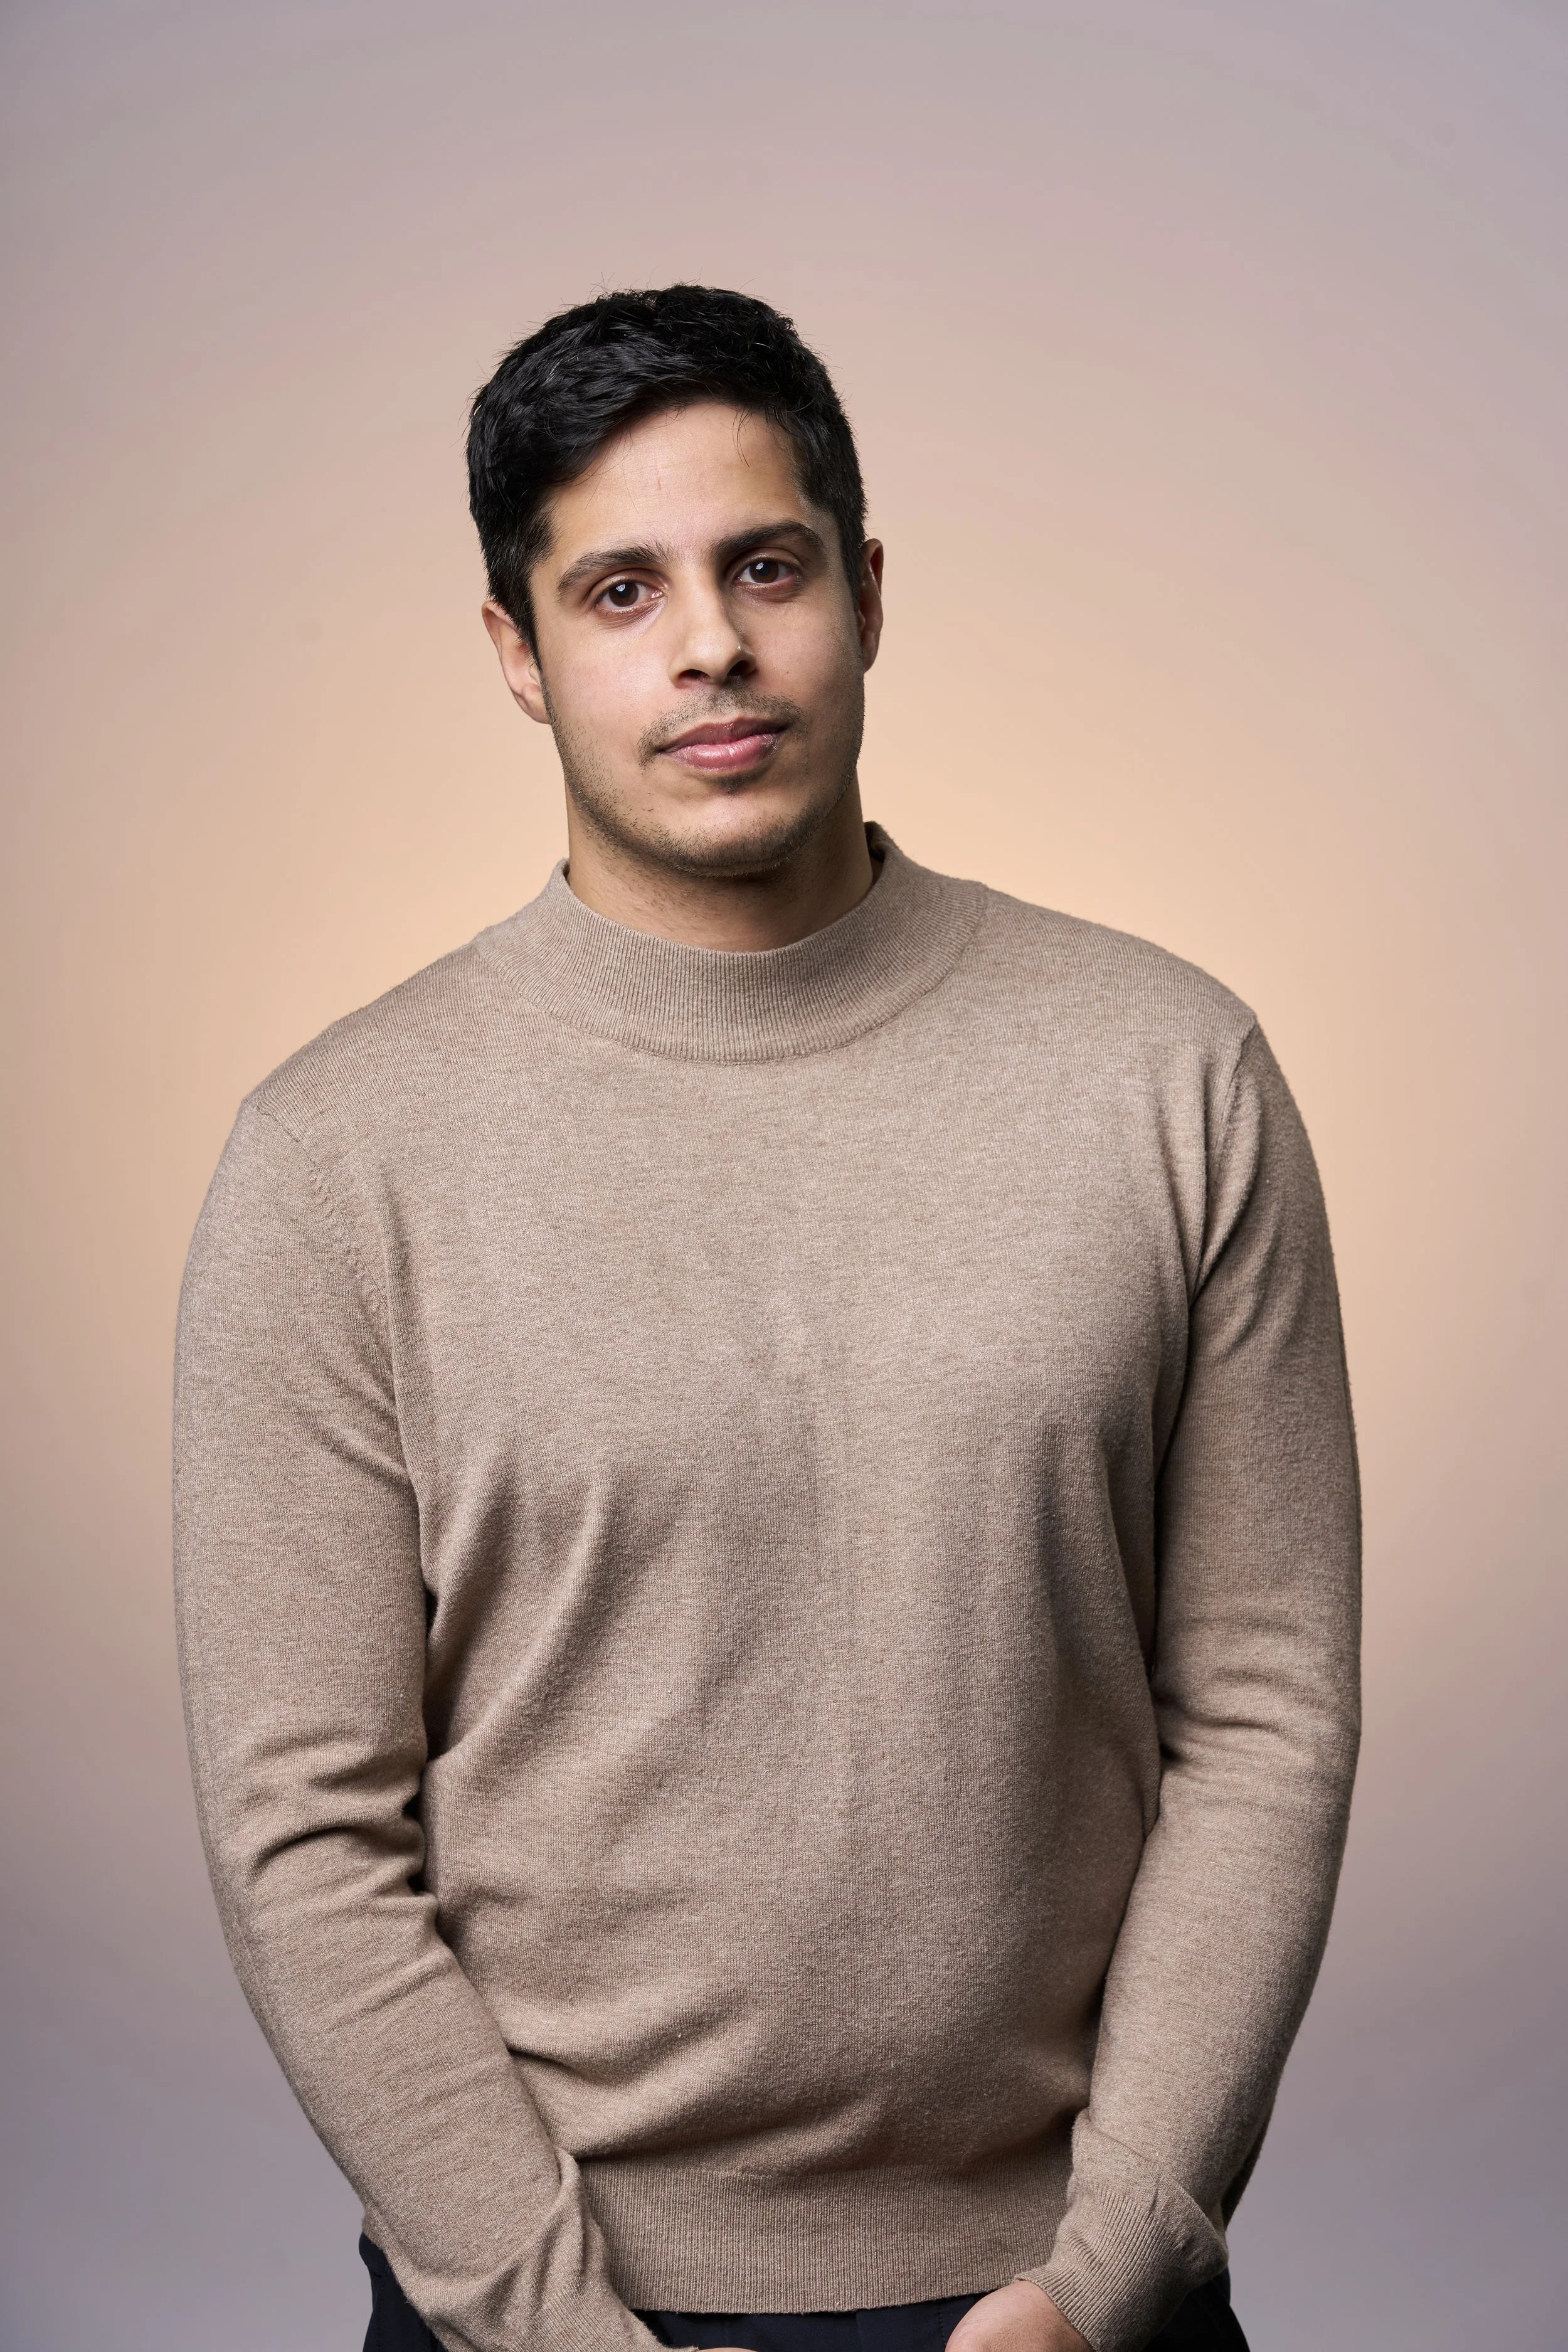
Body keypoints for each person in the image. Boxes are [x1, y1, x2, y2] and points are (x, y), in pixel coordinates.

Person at [174, 285, 1360, 2352]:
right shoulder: (334, 1157)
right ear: (515, 656)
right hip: (538, 2313)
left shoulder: (1164, 1073)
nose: (707, 643)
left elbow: (1261, 1706)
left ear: (867, 597)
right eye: (617, 588)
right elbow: (303, 1830)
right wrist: (549, 2326)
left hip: (1051, 2306)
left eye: (764, 565)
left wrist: (1107, 2268)